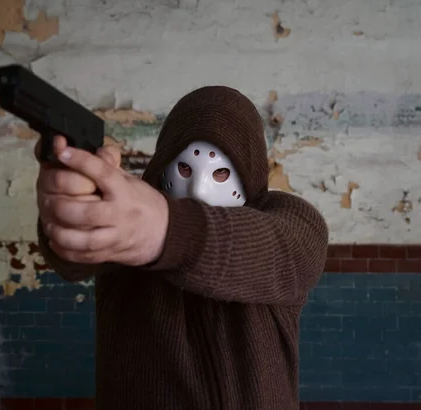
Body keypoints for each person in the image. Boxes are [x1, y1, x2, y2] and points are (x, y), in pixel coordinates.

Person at [35, 86, 329, 410]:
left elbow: (290, 254)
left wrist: (164, 230)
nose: (198, 189)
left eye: (219, 172)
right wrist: (76, 210)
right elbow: (72, 258)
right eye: (185, 169)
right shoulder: (128, 211)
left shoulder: (291, 221)